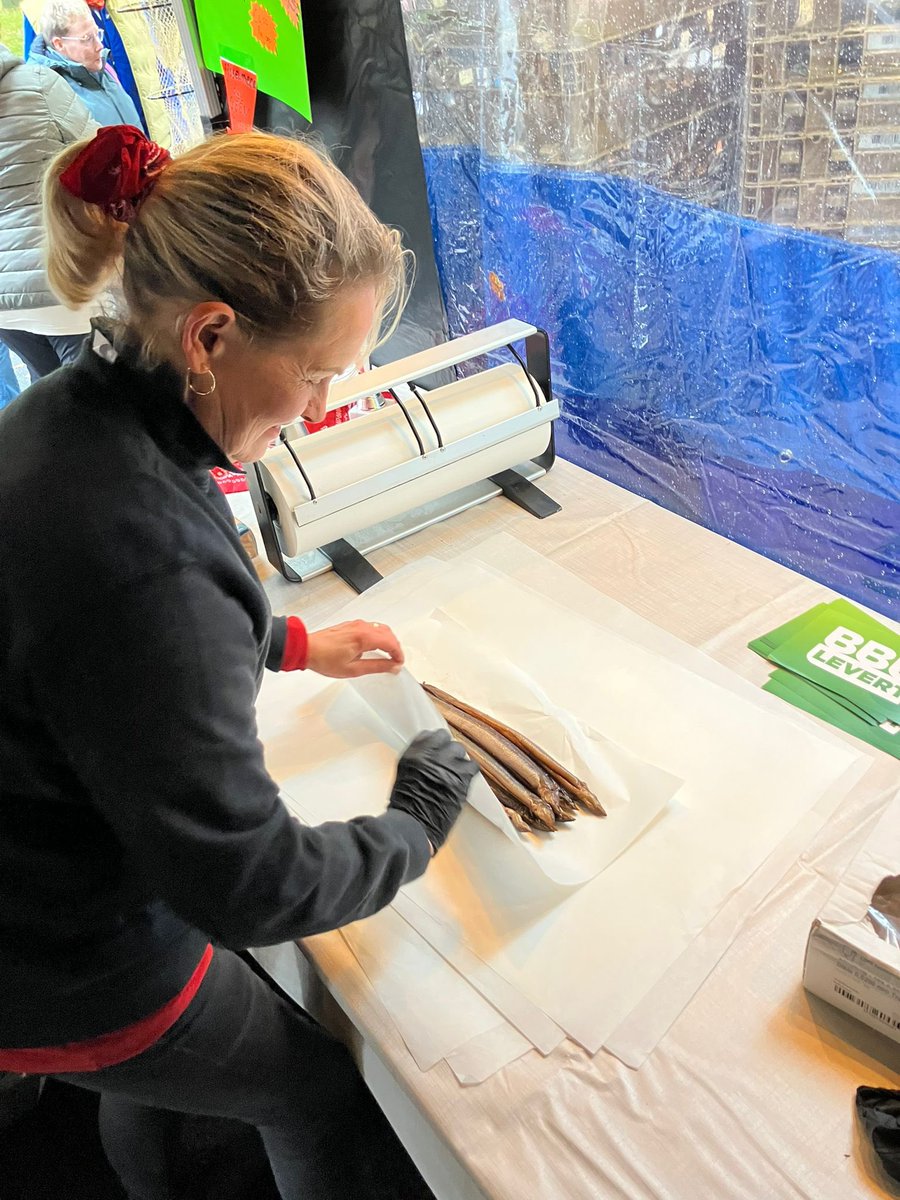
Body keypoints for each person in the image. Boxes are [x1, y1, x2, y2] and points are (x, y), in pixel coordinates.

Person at [0, 124, 477, 1200]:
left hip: (31, 868)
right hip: (60, 958)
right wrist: (416, 820)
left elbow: (89, 643)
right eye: (316, 376)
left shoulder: (69, 415)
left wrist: (290, 640)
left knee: (176, 1072)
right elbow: (251, 888)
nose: (321, 411)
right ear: (210, 335)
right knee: (314, 1090)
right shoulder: (140, 552)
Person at [0, 44, 96, 381]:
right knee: (99, 392)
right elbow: (101, 154)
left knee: (51, 390)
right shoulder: (37, 83)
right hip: (59, 281)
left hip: (5, 307)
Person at [29, 0, 144, 129]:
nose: (100, 46)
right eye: (87, 38)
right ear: (59, 44)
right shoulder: (51, 93)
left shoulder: (102, 68)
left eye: (97, 34)